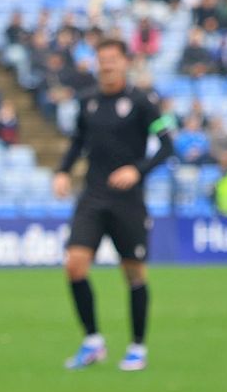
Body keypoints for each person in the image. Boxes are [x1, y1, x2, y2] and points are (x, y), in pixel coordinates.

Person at [52, 39, 177, 373]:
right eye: (101, 59)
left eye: (112, 60)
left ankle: (137, 347)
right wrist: (63, 171)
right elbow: (78, 142)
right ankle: (93, 341)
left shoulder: (143, 102)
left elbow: (167, 147)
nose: (106, 65)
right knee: (74, 265)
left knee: (133, 272)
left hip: (128, 202)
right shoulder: (88, 101)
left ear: (125, 63)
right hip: (92, 197)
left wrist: (137, 170)